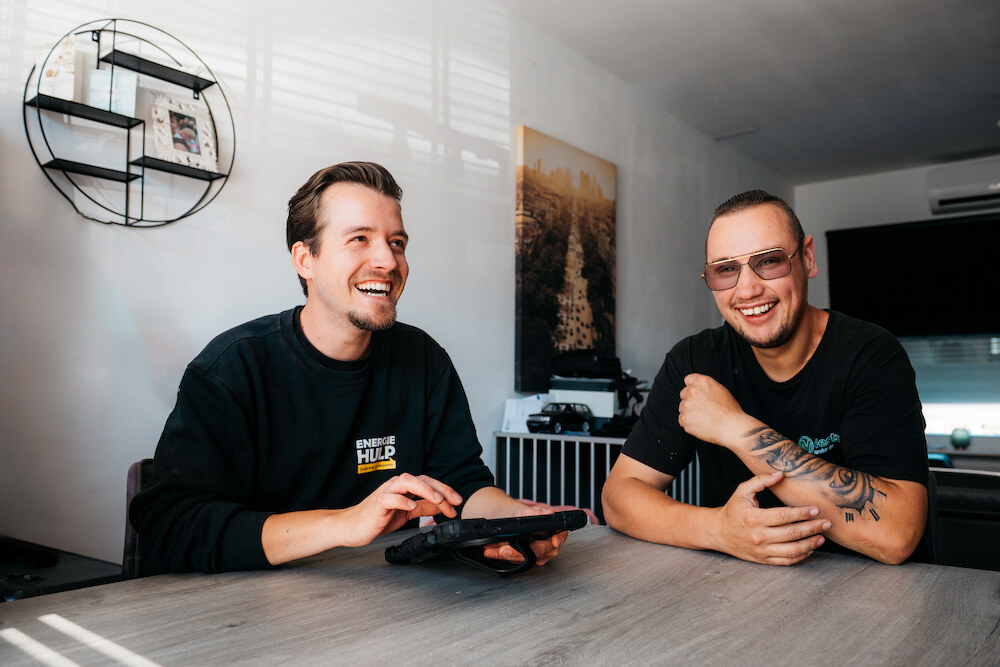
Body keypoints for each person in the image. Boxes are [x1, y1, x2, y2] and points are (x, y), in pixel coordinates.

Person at [130, 161, 567, 575]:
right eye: (360, 238)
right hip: (247, 620)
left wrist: (514, 521)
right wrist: (345, 524)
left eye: (397, 242)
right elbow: (168, 530)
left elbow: (464, 486)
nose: (389, 261)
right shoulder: (231, 370)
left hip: (391, 611)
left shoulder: (423, 360)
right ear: (305, 260)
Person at [602, 190, 929, 566]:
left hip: (870, 597)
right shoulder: (693, 361)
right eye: (726, 270)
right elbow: (619, 496)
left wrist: (735, 428)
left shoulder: (870, 354)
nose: (747, 290)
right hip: (738, 594)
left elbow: (896, 533)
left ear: (807, 258)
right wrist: (717, 530)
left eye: (769, 262)